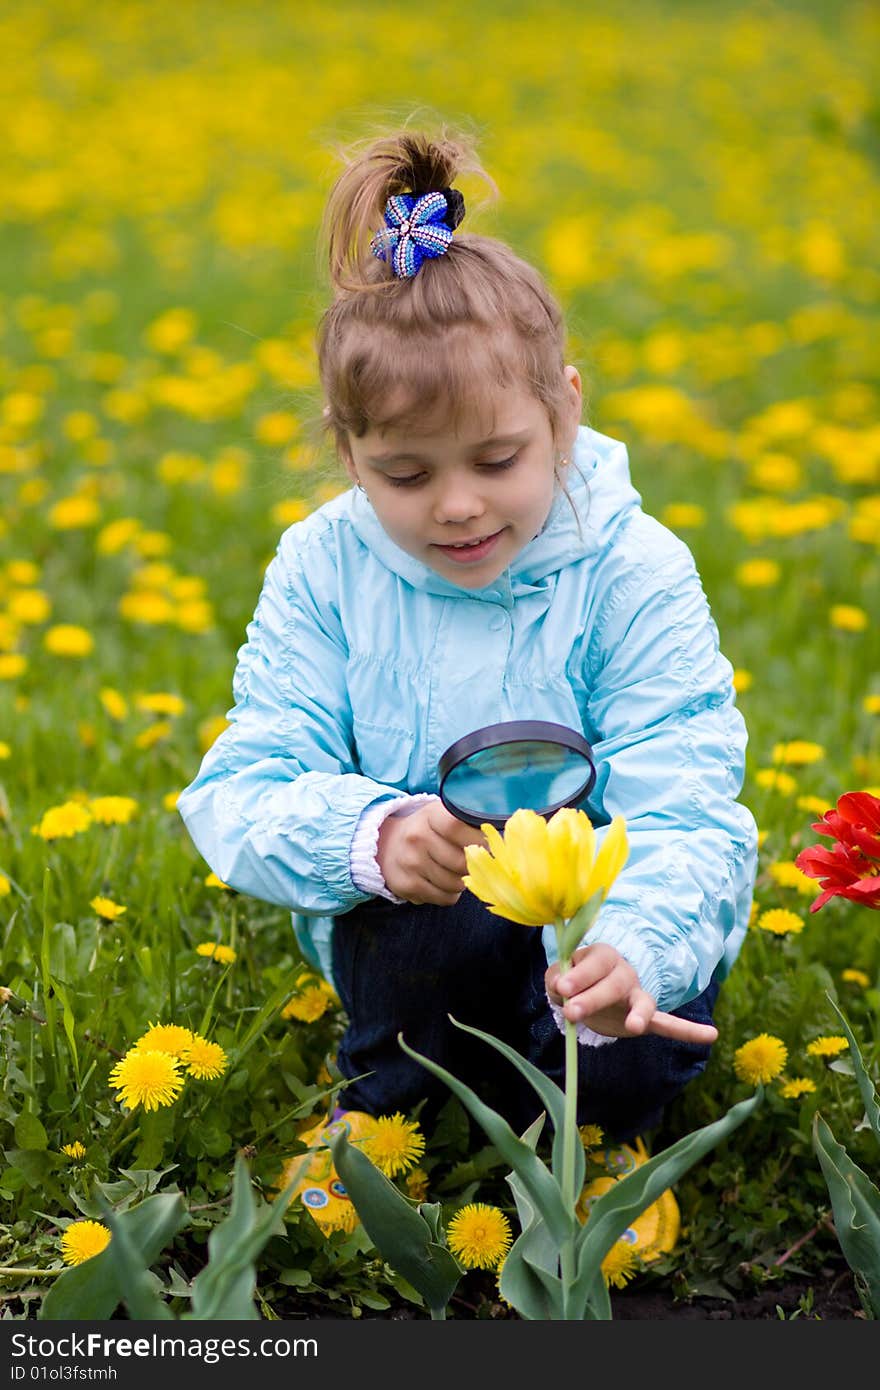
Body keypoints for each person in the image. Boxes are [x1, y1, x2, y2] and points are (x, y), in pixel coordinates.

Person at [177, 127, 757, 1185]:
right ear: (347, 454)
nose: (456, 505)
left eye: (498, 459)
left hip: (600, 921)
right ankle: (386, 1104)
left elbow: (685, 802)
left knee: (621, 1041)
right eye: (403, 474)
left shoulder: (632, 569)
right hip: (427, 925)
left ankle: (598, 1143)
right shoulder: (322, 571)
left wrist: (638, 944)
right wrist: (373, 833)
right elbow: (242, 788)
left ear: (564, 413)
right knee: (416, 938)